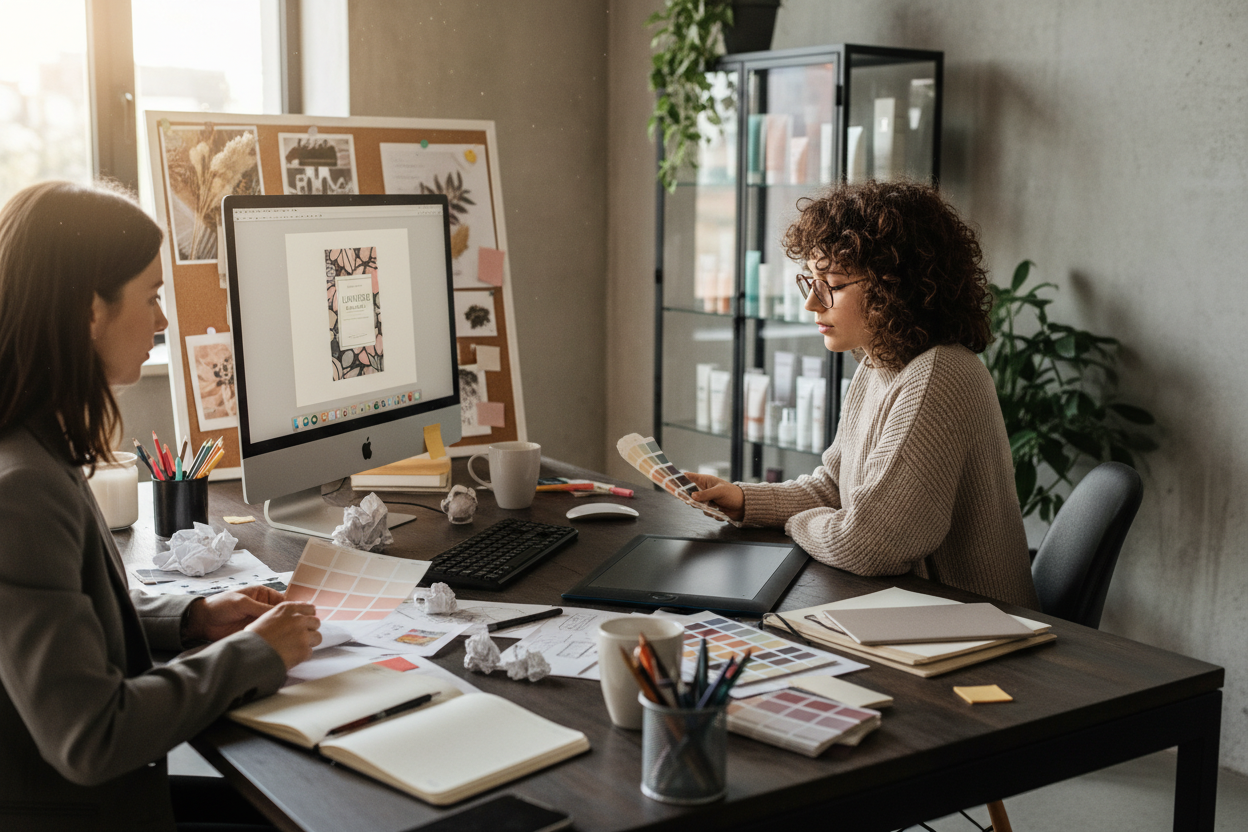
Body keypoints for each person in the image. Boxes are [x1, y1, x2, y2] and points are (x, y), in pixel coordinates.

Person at [0, 181, 323, 832]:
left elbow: (59, 609)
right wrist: (254, 652)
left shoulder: (28, 445)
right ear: (89, 310)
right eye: (150, 297)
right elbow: (92, 736)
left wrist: (193, 616)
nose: (163, 322)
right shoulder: (23, 492)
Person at [688, 181, 1040, 609]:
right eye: (810, 282)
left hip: (973, 632)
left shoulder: (939, 376)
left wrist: (800, 523)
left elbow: (867, 544)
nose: (812, 304)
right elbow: (835, 488)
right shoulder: (879, 365)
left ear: (895, 286)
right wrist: (743, 500)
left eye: (831, 284)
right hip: (918, 614)